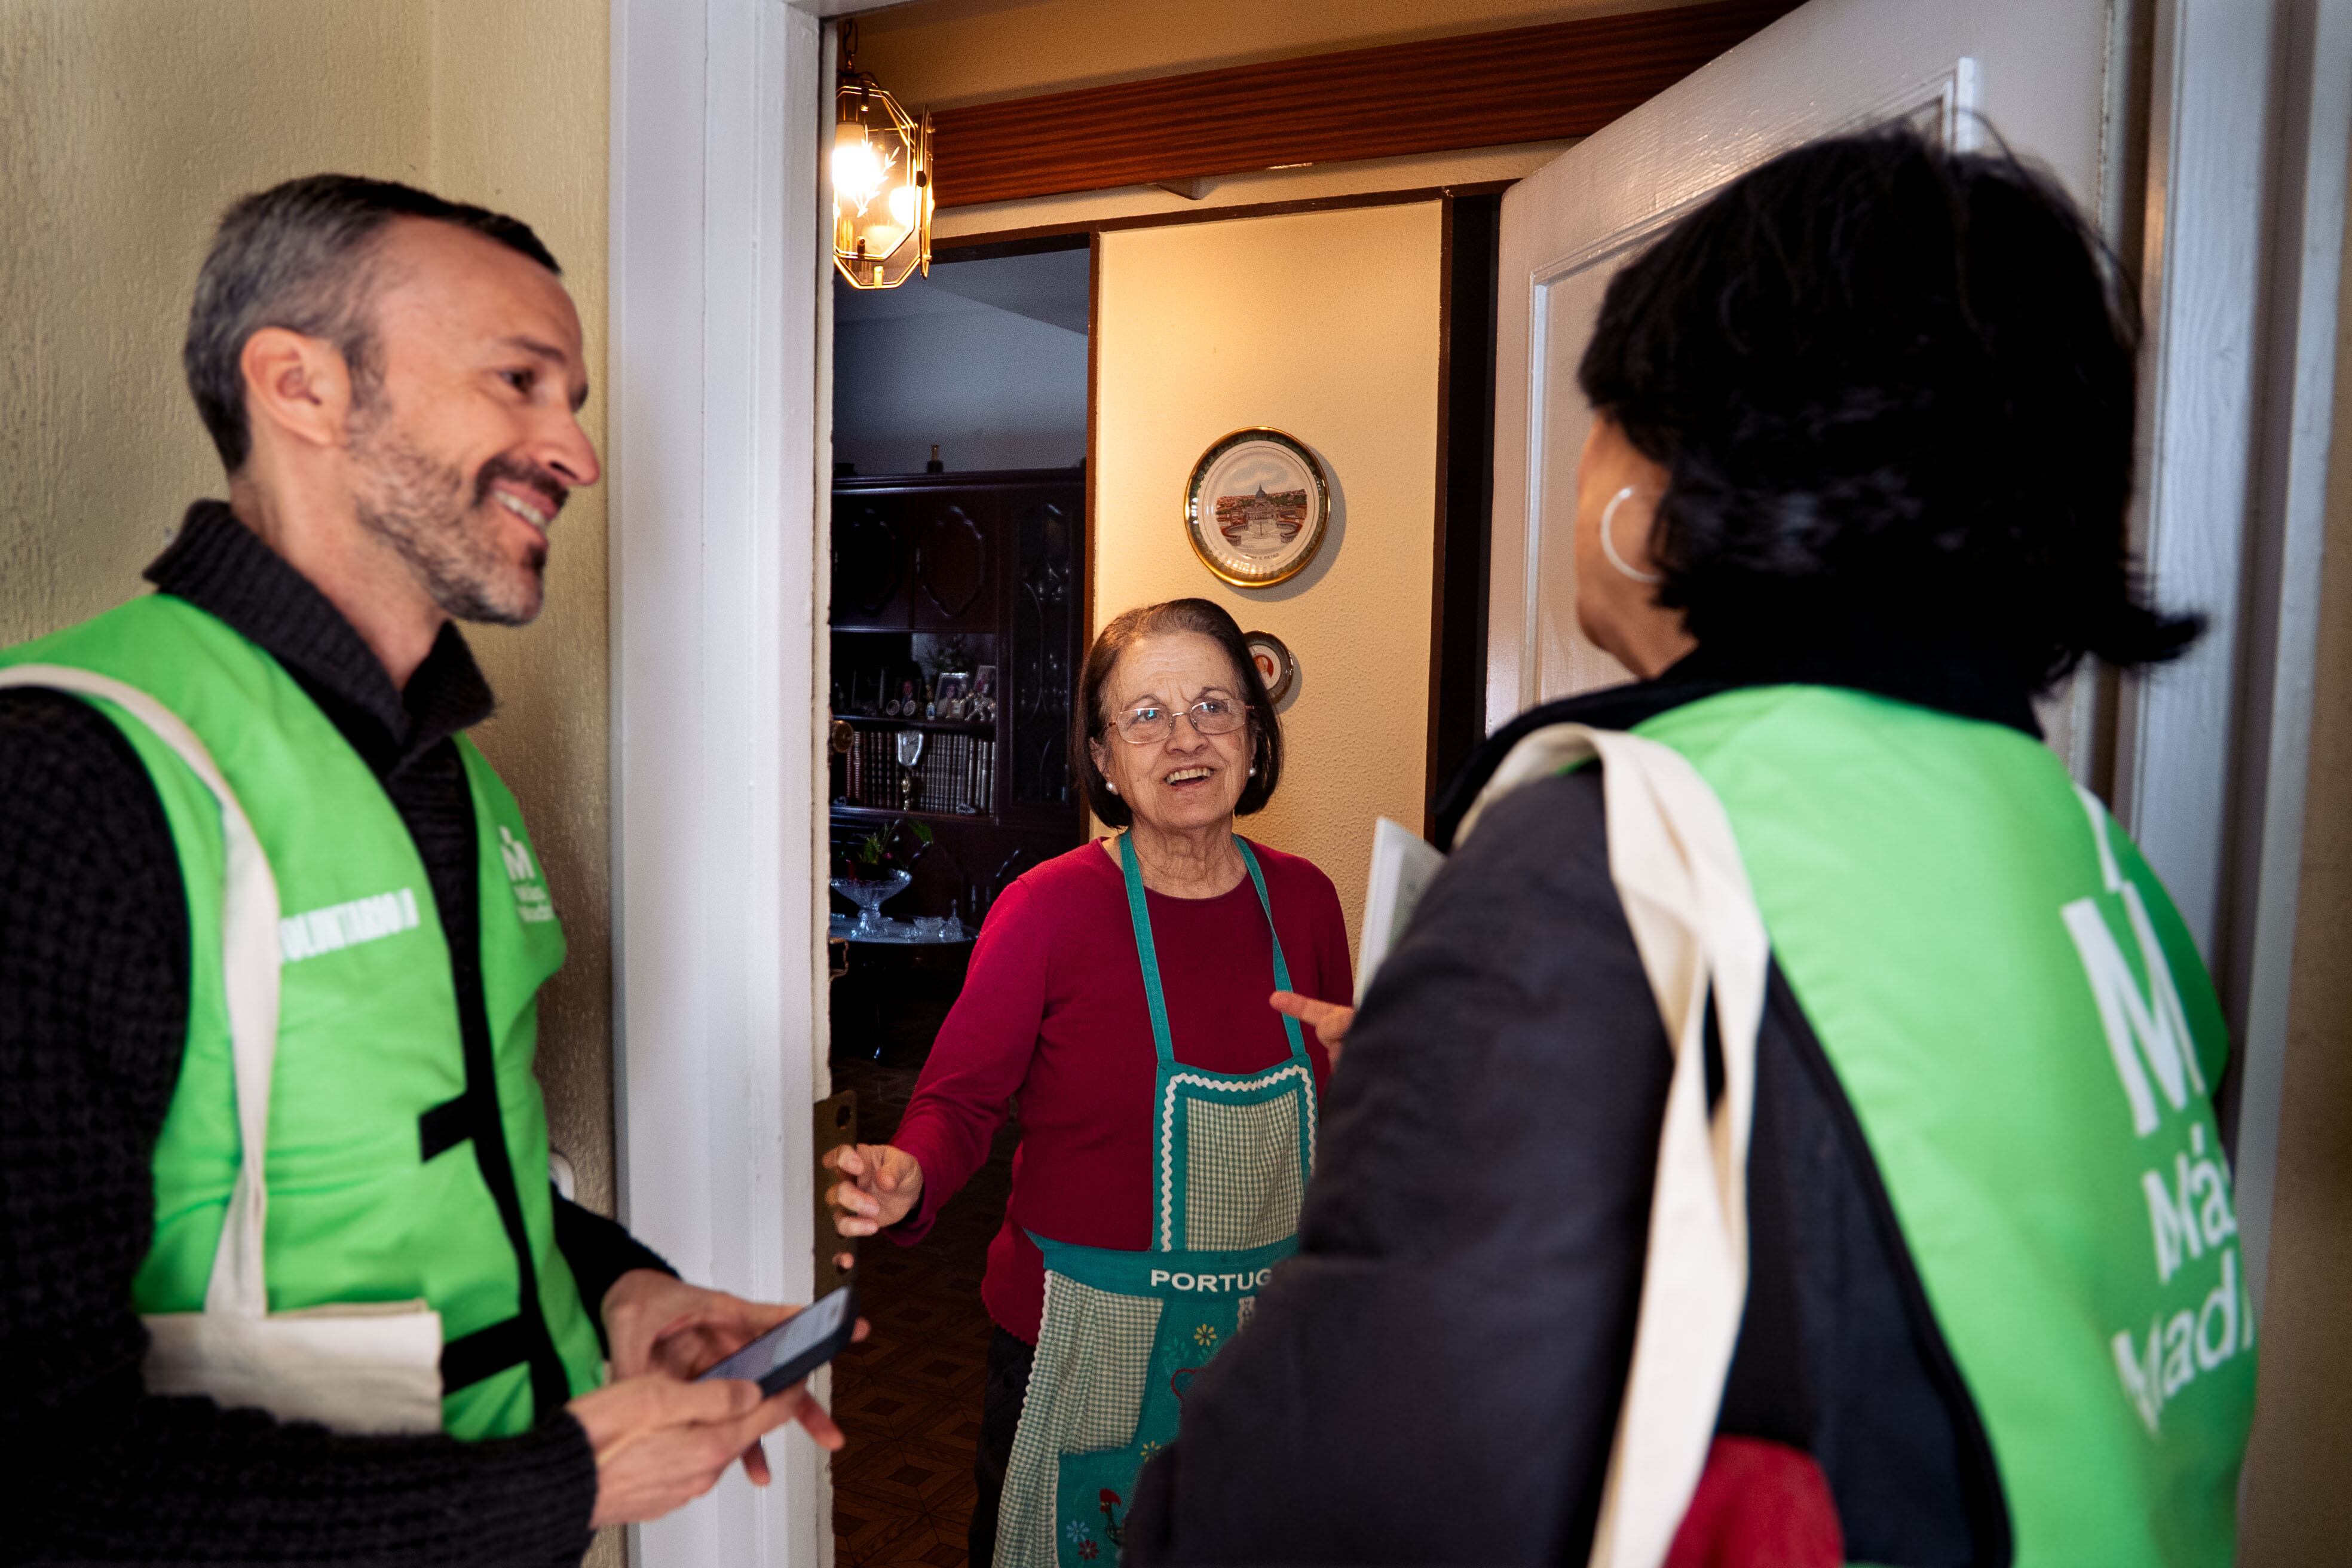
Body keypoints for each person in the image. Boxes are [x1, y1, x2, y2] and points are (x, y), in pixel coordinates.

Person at [1123, 130, 2256, 1565]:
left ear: (1659, 489)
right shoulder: (2091, 864)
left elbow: (1339, 1496)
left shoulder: (1609, 858)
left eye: (1603, 413)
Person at [0, 175, 849, 1564]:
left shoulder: (450, 774)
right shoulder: (64, 777)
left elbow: (450, 1170)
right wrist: (558, 1485)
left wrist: (621, 1288)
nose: (575, 453)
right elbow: (36, 1469)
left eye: (571, 399)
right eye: (520, 381)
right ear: (301, 386)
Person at [823, 598, 1352, 1568]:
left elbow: (1340, 1121)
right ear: (1104, 758)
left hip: (1260, 1359)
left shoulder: (1308, 902)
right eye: (1146, 716)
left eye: (1213, 707)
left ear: (1253, 733)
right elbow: (960, 1101)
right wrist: (911, 1170)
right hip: (1070, 1355)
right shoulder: (1047, 910)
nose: (1185, 738)